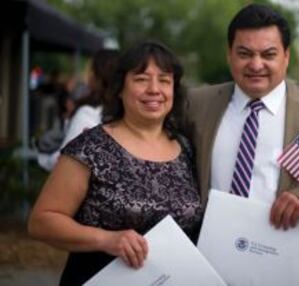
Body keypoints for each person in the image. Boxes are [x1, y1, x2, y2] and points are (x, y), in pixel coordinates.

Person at [181, 4, 299, 285]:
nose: (256, 64)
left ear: (286, 56)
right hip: (208, 267)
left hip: (289, 269)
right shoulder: (195, 105)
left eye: (268, 54)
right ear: (229, 55)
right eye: (245, 53)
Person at [28, 41, 202, 286]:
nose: (154, 89)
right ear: (120, 88)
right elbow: (41, 222)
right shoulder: (91, 146)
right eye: (141, 79)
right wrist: (106, 239)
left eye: (164, 80)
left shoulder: (185, 148)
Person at [37, 49, 119, 171]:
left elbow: (64, 160)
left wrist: (43, 158)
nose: (86, 74)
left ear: (97, 74)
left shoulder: (88, 113)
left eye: (89, 68)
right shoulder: (123, 110)